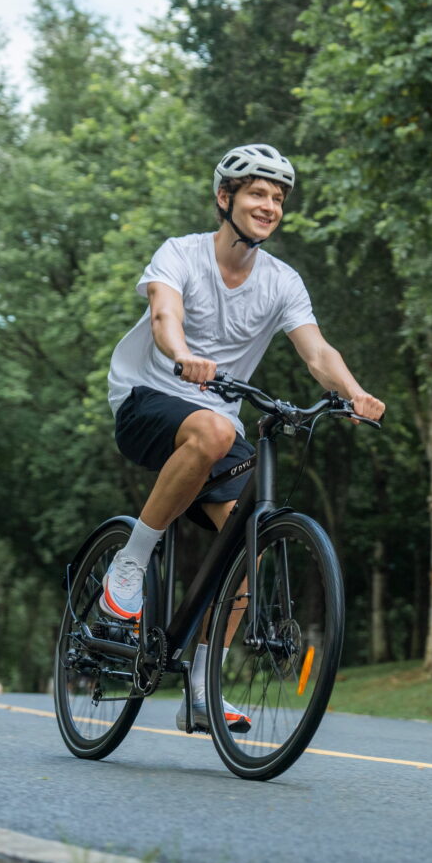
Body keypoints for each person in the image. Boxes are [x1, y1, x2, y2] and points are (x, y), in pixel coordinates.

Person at [100, 144, 385, 733]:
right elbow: (163, 318)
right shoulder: (180, 254)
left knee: (250, 541)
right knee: (210, 427)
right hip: (146, 399)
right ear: (225, 198)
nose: (270, 205)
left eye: (278, 198)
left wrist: (355, 392)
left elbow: (317, 351)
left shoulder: (282, 281)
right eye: (258, 193)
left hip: (217, 420)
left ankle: (201, 688)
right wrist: (183, 357)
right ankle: (129, 566)